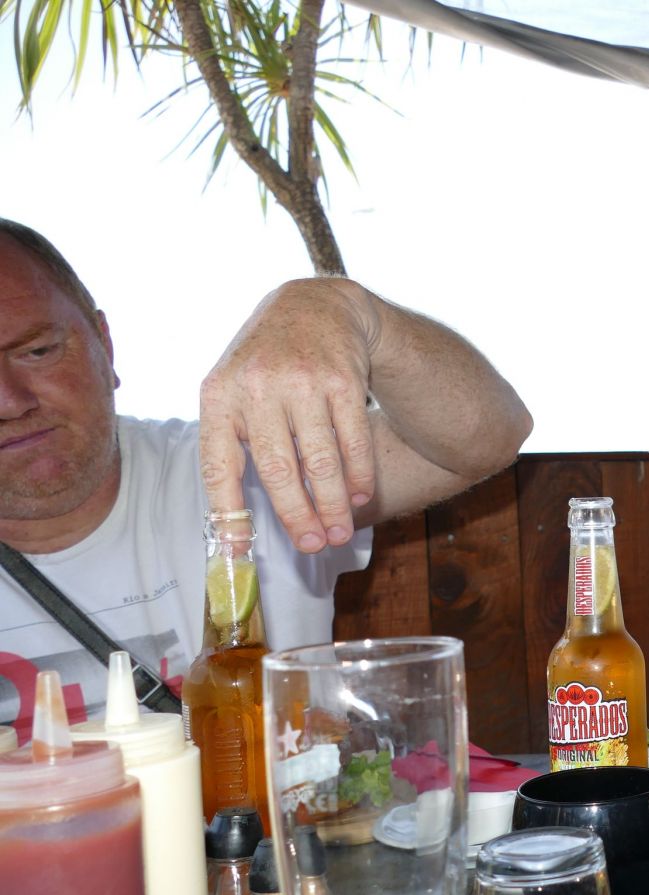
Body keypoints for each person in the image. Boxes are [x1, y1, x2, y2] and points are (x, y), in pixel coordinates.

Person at [0, 217, 532, 733]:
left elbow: (485, 437)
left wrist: (349, 308)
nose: (9, 401)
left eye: (37, 351)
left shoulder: (242, 472)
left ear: (104, 343)